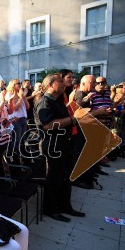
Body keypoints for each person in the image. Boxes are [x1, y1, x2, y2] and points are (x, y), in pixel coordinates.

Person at [35, 74, 84, 222]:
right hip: (53, 144)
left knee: (66, 176)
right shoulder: (44, 102)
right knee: (54, 178)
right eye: (61, 81)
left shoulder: (58, 100)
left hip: (64, 142)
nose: (64, 84)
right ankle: (50, 209)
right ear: (50, 85)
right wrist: (73, 119)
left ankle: (65, 206)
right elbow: (48, 125)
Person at [5, 79, 29, 160]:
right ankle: (13, 159)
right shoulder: (9, 95)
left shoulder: (20, 94)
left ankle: (20, 158)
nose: (20, 85)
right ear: (13, 85)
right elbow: (15, 107)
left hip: (23, 119)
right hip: (15, 121)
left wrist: (23, 97)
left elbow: (28, 106)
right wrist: (21, 97)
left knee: (22, 141)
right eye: (18, 83)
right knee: (16, 141)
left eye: (20, 83)